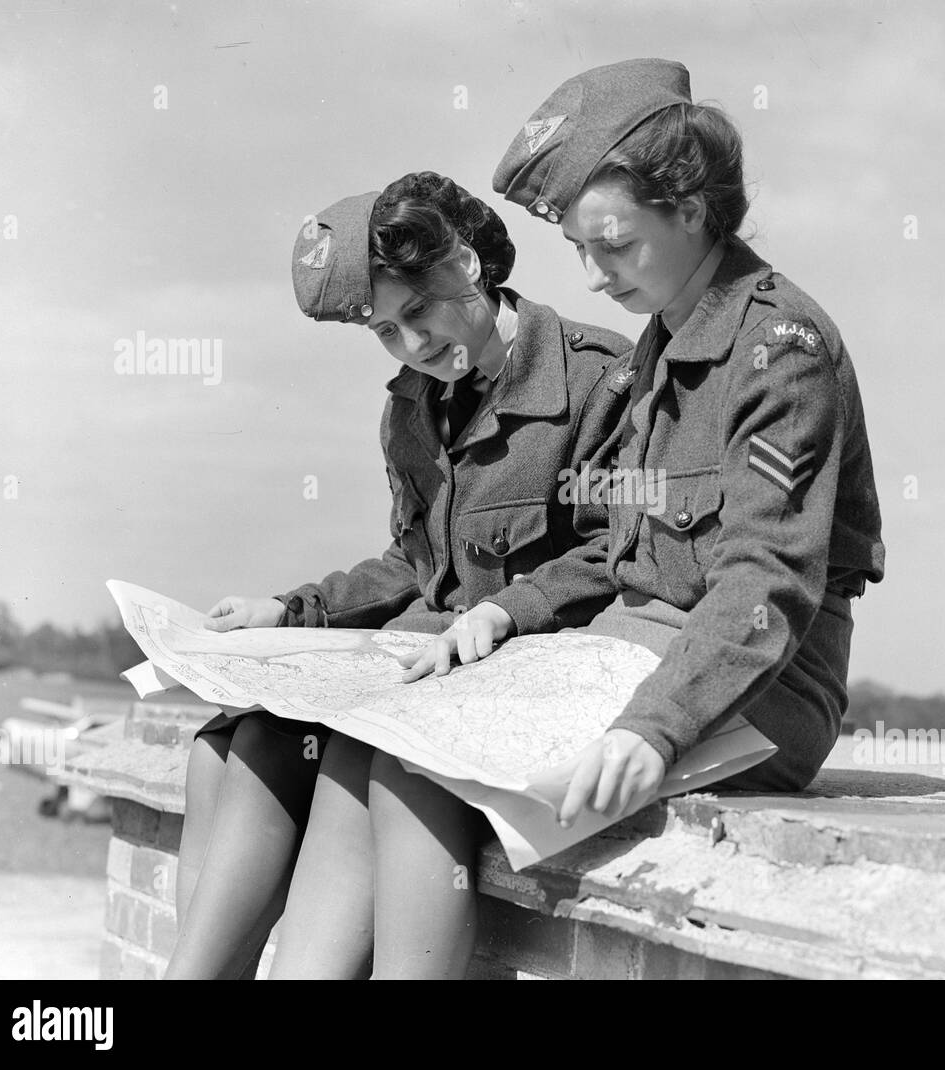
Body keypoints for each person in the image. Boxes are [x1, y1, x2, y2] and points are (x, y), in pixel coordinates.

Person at [369, 58, 884, 976]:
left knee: (425, 759)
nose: (594, 275)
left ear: (691, 207)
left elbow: (766, 582)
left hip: (758, 693)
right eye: (579, 250)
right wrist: (509, 611)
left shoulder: (779, 351)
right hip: (629, 649)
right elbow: (616, 543)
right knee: (391, 739)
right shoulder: (657, 349)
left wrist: (655, 726)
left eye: (614, 244)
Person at [166, 172, 633, 979]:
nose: (413, 347)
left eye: (418, 312)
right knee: (236, 743)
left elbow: (614, 555)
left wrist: (509, 610)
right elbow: (414, 564)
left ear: (468, 263)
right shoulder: (414, 405)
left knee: (353, 755)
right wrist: (290, 609)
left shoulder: (599, 380)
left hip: (520, 672)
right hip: (424, 667)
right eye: (386, 331)